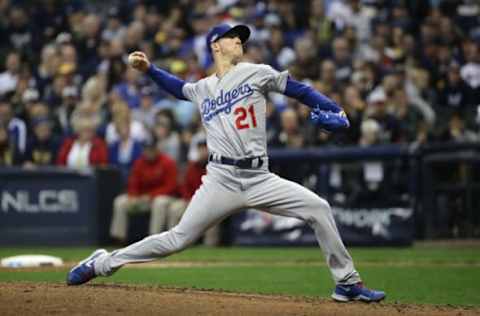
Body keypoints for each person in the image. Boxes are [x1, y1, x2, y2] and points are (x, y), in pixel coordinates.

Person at [67, 24, 385, 303]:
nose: (240, 42)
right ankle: (102, 264)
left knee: (319, 208)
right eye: (233, 38)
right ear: (216, 45)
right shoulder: (203, 88)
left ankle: (346, 283)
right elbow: (179, 89)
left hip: (260, 177)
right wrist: (150, 69)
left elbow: (301, 90)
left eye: (241, 38)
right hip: (221, 178)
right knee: (177, 239)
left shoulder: (255, 71)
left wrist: (335, 110)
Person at [109, 138, 178, 242]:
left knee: (159, 202)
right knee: (120, 201)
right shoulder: (139, 163)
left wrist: (151, 196)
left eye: (151, 149)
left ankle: (154, 238)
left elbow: (171, 186)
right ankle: (119, 238)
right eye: (146, 149)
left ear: (157, 149)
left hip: (164, 197)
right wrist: (133, 196)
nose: (149, 152)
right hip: (142, 198)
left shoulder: (167, 162)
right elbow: (133, 182)